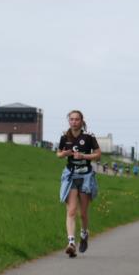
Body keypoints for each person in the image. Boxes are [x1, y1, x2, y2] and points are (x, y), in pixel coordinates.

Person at [56, 110, 101, 257]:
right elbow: (58, 153)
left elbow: (98, 154)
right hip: (71, 175)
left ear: (82, 121)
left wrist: (84, 156)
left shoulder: (88, 137)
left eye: (77, 119)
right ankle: (71, 242)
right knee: (71, 211)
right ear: (68, 121)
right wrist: (64, 154)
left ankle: (84, 234)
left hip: (86, 175)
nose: (74, 122)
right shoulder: (65, 136)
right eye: (71, 119)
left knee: (83, 213)